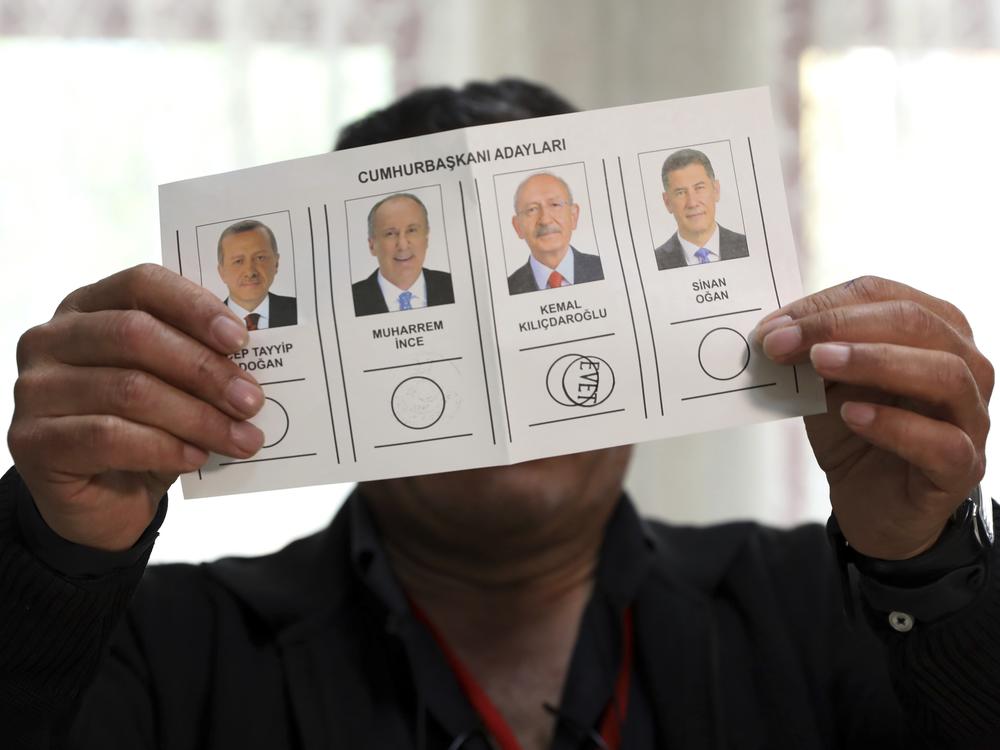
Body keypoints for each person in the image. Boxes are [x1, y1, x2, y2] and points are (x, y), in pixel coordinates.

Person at [2, 79, 998, 750]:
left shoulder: (822, 607)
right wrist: (57, 552)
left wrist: (927, 564)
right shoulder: (171, 644)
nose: (492, 344)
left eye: (523, 291)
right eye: (449, 289)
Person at [352, 192, 455, 317]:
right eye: (390, 233)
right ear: (372, 245)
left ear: (426, 238)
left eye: (411, 230)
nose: (403, 245)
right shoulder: (350, 301)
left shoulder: (455, 286)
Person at [507, 172, 604, 295]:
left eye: (555, 205)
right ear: (517, 226)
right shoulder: (508, 289)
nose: (545, 220)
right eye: (531, 209)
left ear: (573, 216)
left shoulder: (605, 269)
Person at [653, 148, 749, 270]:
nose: (692, 203)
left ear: (716, 190)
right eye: (681, 192)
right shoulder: (654, 262)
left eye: (699, 188)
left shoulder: (749, 246)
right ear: (667, 202)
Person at [216, 218, 297, 328]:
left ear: (276, 263)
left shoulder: (300, 309)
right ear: (222, 272)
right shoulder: (204, 323)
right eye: (238, 261)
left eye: (260, 258)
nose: (250, 272)